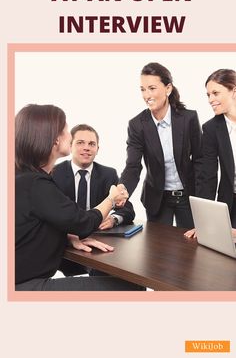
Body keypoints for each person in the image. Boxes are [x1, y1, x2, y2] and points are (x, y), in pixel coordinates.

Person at [15, 104, 142, 291]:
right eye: (66, 130)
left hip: (21, 277)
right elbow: (81, 222)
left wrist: (67, 237)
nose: (69, 135)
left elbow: (35, 226)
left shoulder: (23, 177)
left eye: (91, 144)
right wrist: (111, 199)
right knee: (131, 287)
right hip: (24, 284)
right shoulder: (38, 183)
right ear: (54, 139)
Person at [120, 62, 202, 229]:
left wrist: (202, 199)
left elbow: (200, 160)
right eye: (142, 89)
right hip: (157, 198)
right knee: (157, 250)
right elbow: (133, 166)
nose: (146, 95)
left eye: (152, 88)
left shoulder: (189, 119)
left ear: (168, 88)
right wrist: (122, 190)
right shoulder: (137, 125)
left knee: (191, 249)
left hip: (188, 197)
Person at [52, 123, 134, 276]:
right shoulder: (54, 173)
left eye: (91, 144)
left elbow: (128, 209)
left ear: (97, 149)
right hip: (66, 243)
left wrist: (114, 219)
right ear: (70, 146)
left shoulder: (108, 174)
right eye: (80, 143)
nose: (86, 148)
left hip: (99, 241)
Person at [185, 68, 236, 238]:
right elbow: (207, 177)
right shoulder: (211, 128)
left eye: (215, 93)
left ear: (234, 91)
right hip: (230, 204)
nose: (211, 99)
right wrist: (203, 222)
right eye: (208, 95)